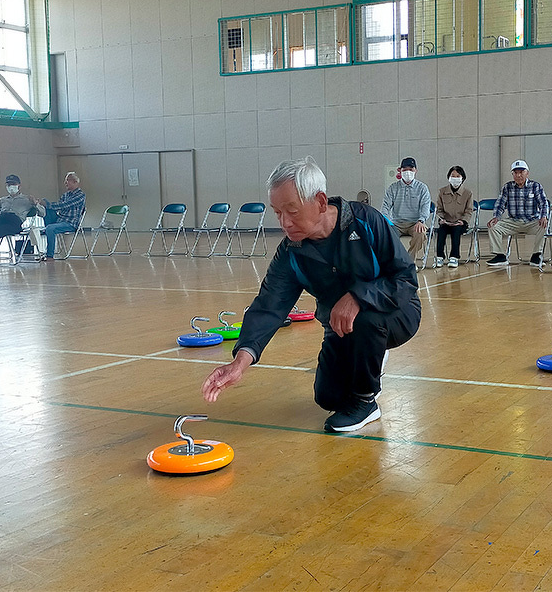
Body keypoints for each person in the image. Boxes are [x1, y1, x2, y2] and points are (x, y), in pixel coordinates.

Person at [202, 157, 421, 433]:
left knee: (366, 320)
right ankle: (370, 358)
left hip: (396, 313)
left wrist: (357, 296)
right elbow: (269, 306)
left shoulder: (366, 222)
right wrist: (239, 362)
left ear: (319, 202)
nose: (283, 222)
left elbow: (404, 279)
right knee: (328, 397)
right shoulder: (291, 252)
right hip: (340, 327)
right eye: (277, 212)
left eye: (291, 211)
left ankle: (367, 401)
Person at [486, 160, 549, 268]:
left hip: (531, 221)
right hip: (513, 221)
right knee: (493, 226)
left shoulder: (535, 186)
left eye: (521, 172)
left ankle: (536, 255)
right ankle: (500, 255)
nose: (518, 175)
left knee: (544, 226)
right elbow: (500, 203)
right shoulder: (507, 187)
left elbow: (543, 203)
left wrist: (543, 216)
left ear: (527, 173)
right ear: (512, 174)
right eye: (515, 173)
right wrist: (496, 217)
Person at [0, 175, 42, 268]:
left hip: (15, 221)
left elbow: (43, 213)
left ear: (19, 186)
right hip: (2, 219)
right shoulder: (2, 200)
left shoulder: (27, 199)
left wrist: (36, 204)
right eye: (9, 184)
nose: (11, 187)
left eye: (13, 184)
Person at [381, 157, 431, 259]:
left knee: (421, 234)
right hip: (396, 223)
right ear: (400, 171)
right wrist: (386, 222)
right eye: (405, 170)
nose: (408, 172)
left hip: (415, 223)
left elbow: (425, 206)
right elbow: (385, 206)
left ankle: (409, 260)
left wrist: (421, 220)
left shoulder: (422, 188)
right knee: (386, 235)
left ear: (415, 171)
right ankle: (395, 260)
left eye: (411, 170)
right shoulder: (393, 188)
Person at [37, 172, 86, 260]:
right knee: (45, 205)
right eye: (65, 180)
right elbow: (58, 207)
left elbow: (65, 205)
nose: (65, 183)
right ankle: (38, 208)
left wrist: (47, 205)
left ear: (75, 182)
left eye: (68, 180)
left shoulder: (80, 195)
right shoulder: (65, 195)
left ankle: (49, 256)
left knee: (50, 228)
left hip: (70, 223)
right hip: (59, 220)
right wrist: (42, 204)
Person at [434, 166, 474, 268]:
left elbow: (469, 210)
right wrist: (442, 219)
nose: (455, 178)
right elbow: (439, 209)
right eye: (452, 176)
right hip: (446, 221)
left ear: (462, 178)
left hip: (459, 223)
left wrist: (463, 221)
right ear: (448, 177)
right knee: (441, 231)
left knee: (456, 231)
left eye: (458, 176)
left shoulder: (468, 193)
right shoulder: (442, 192)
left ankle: (454, 257)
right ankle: (439, 257)